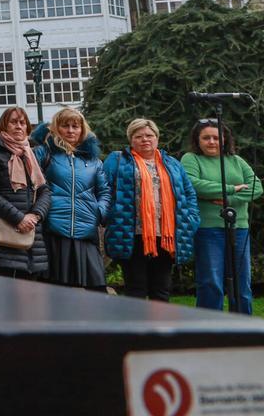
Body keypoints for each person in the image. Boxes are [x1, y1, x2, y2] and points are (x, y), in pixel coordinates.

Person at [104, 118, 199, 302]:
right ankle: (137, 330)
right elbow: (104, 191)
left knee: (161, 289)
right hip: (131, 234)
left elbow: (189, 194)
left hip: (165, 235)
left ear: (157, 137)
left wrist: (191, 219)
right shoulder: (117, 161)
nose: (145, 139)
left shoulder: (171, 163)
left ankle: (160, 329)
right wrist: (110, 217)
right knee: (136, 288)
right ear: (131, 140)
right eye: (138, 136)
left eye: (149, 135)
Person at [181, 119, 261, 313]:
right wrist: (232, 189)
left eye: (216, 138)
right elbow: (193, 184)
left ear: (224, 139)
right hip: (208, 229)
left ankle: (242, 332)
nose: (211, 142)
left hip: (239, 229)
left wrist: (228, 200)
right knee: (211, 283)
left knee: (242, 284)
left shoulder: (236, 161)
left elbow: (256, 188)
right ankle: (209, 331)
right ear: (197, 140)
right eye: (206, 137)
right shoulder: (191, 159)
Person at [32, 108, 110, 290]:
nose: (71, 130)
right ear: (56, 128)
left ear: (82, 129)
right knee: (56, 292)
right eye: (65, 126)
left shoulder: (93, 161)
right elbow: (34, 184)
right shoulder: (45, 153)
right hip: (54, 231)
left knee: (97, 290)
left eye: (75, 126)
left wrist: (98, 212)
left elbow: (104, 192)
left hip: (86, 231)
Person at [0, 107, 51, 279]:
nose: (19, 126)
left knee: (31, 298)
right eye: (13, 122)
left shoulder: (29, 154)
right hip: (5, 237)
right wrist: (19, 218)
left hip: (32, 237)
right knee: (7, 297)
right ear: (3, 125)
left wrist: (36, 215)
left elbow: (44, 190)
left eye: (22, 122)